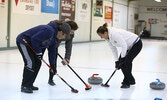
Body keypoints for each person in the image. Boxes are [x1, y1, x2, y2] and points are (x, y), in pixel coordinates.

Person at [16, 21, 71, 93]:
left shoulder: (55, 39)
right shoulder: (49, 31)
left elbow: (52, 52)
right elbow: (34, 39)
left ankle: (30, 84)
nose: (64, 38)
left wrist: (53, 66)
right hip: (23, 41)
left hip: (32, 45)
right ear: (61, 32)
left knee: (38, 63)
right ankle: (25, 85)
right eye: (65, 36)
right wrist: (39, 52)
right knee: (30, 62)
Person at [96, 23, 142, 88]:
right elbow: (113, 49)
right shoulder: (107, 38)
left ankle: (127, 82)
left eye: (101, 35)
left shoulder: (114, 34)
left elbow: (124, 45)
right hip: (128, 46)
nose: (101, 37)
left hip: (136, 44)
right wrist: (117, 61)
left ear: (105, 33)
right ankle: (131, 80)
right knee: (121, 63)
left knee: (126, 62)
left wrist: (123, 58)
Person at [48, 20, 78, 86]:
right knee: (52, 62)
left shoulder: (70, 35)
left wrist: (67, 58)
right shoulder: (59, 29)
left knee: (54, 62)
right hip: (49, 43)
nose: (72, 33)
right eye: (72, 31)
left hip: (55, 45)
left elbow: (69, 46)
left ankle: (51, 79)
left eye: (73, 32)